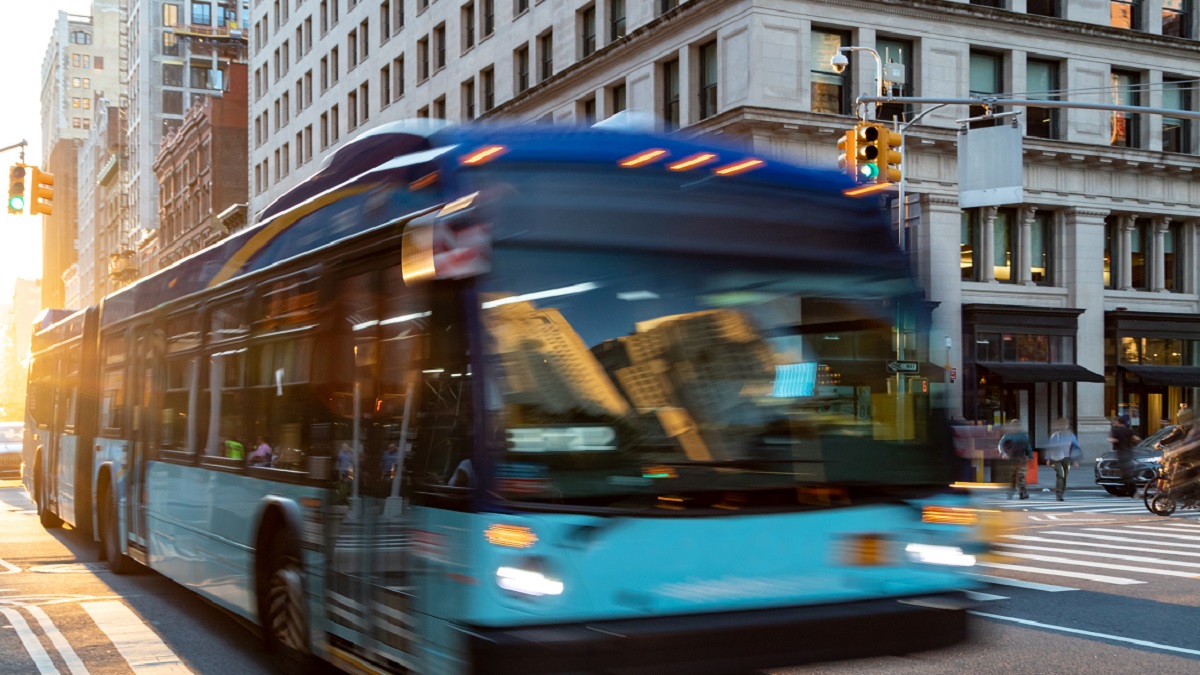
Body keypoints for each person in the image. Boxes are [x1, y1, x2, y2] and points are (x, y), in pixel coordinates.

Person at [1045, 418, 1081, 502]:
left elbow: (1076, 448)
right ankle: (1058, 494)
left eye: (1065, 425)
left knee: (1064, 476)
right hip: (1056, 458)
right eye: (1062, 425)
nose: (1064, 426)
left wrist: (1075, 460)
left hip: (1066, 458)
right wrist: (1048, 458)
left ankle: (1061, 493)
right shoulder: (1055, 436)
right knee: (1060, 474)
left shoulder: (1071, 436)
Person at [998, 419, 1032, 500]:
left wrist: (1030, 455)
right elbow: (1000, 445)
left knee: (1019, 477)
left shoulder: (1018, 435)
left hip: (1018, 459)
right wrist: (1003, 453)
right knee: (1015, 477)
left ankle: (1020, 493)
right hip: (1013, 459)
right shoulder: (1009, 435)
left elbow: (1028, 446)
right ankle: (1017, 493)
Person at [1108, 415, 1141, 497]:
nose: (1114, 423)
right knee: (1128, 474)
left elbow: (1113, 439)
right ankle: (1131, 491)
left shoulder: (1115, 430)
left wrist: (1112, 440)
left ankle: (1132, 491)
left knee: (1126, 475)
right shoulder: (1128, 430)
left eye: (1115, 421)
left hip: (1121, 455)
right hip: (1129, 454)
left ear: (1118, 422)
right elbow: (1137, 439)